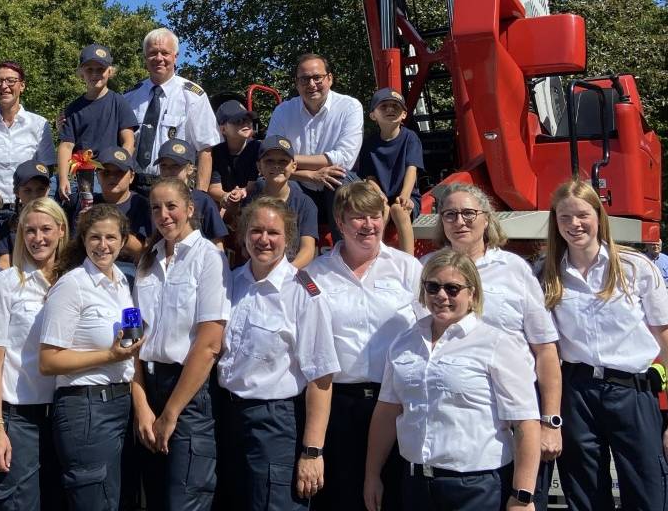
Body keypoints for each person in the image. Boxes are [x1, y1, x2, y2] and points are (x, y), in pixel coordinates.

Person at [541, 179, 668, 511]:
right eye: (564, 217)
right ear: (555, 222)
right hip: (576, 394)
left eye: (582, 215)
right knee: (586, 497)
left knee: (650, 495)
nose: (574, 224)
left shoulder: (636, 268)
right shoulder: (548, 275)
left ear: (598, 216)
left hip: (631, 393)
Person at [363, 249, 541, 511]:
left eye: (453, 288)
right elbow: (388, 412)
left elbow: (525, 421)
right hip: (415, 484)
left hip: (476, 488)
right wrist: (372, 476)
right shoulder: (404, 343)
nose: (441, 296)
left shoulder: (497, 343)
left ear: (473, 294)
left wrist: (523, 496)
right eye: (433, 287)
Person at [426, 182, 563, 511]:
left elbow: (545, 350)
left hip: (518, 422)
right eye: (450, 214)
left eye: (469, 213)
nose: (460, 221)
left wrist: (550, 422)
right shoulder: (426, 269)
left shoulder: (514, 271)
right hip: (456, 426)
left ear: (487, 219)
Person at [302, 180, 420, 511]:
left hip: (396, 404)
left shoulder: (407, 269)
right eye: (357, 217)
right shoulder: (314, 275)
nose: (368, 225)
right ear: (339, 222)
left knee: (394, 497)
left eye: (375, 216)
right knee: (343, 497)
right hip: (340, 405)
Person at [217, 197, 340, 511]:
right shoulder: (230, 283)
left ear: (289, 240)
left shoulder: (303, 292)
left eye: (273, 232)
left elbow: (321, 378)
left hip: (274, 423)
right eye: (256, 230)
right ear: (244, 235)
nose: (264, 239)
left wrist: (313, 452)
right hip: (227, 417)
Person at [131, 178, 232, 511]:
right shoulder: (148, 260)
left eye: (171, 206)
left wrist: (171, 412)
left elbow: (209, 344)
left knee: (185, 500)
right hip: (149, 385)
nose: (164, 215)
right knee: (155, 498)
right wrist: (143, 406)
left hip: (189, 393)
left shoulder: (209, 259)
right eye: (156, 207)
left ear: (190, 209)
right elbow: (133, 336)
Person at [39, 204, 144, 511]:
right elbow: (48, 361)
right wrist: (108, 355)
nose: (103, 245)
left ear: (123, 241)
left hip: (117, 403)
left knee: (114, 499)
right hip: (85, 408)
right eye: (95, 237)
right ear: (83, 240)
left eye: (111, 237)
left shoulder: (122, 283)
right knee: (94, 501)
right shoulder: (72, 285)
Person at [0, 198, 71, 510]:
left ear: (61, 230)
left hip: (66, 415)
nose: (38, 238)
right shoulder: (5, 284)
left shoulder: (75, 283)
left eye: (46, 229)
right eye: (29, 231)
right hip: (18, 419)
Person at [265, 54, 363, 230]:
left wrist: (288, 159)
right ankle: (288, 252)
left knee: (340, 177)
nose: (311, 84)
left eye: (317, 77)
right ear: (296, 83)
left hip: (334, 186)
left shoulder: (350, 107)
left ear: (330, 78)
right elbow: (270, 158)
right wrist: (310, 175)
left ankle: (346, 250)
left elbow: (345, 159)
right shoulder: (283, 111)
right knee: (270, 182)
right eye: (304, 79)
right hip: (298, 183)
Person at [124, 27, 221, 193]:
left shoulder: (193, 96)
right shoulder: (130, 97)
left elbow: (205, 150)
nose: (159, 58)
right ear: (145, 57)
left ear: (175, 57)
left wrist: (200, 196)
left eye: (165, 53)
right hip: (133, 187)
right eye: (153, 53)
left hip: (175, 187)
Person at [0, 61, 56, 205]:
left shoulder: (39, 124)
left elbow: (47, 169)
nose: (4, 86)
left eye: (11, 80)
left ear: (22, 86)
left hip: (27, 208)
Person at [56, 44, 139, 201]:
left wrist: (121, 168)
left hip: (109, 174)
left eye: (100, 69)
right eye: (89, 69)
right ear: (81, 72)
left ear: (110, 71)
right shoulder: (73, 108)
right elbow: (66, 146)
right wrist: (63, 178)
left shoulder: (118, 102)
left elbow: (128, 141)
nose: (95, 74)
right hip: (80, 176)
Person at [231, 136, 319, 268]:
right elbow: (244, 247)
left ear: (294, 166)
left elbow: (308, 250)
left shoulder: (305, 204)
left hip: (291, 273)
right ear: (259, 166)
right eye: (269, 161)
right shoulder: (250, 200)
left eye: (283, 161)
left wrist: (285, 274)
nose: (276, 165)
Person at [355, 88, 423, 256]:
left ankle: (409, 259)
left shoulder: (410, 138)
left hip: (406, 196)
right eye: (384, 106)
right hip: (380, 196)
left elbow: (412, 168)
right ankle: (375, 255)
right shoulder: (369, 143)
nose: (390, 109)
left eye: (395, 106)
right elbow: (369, 177)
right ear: (373, 115)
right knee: (381, 211)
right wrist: (378, 193)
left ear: (404, 114)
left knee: (398, 210)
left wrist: (405, 195)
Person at [154, 138, 231, 246]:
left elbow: (217, 243)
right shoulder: (155, 200)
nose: (168, 171)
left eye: (175, 166)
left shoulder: (203, 200)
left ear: (190, 169)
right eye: (163, 166)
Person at [0, 160, 53, 268]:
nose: (35, 196)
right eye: (27, 190)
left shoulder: (58, 221)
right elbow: (4, 261)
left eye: (41, 189)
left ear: (48, 190)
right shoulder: (9, 226)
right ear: (17, 192)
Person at [207, 99, 261, 207]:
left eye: (248, 119)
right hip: (226, 202)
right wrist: (225, 196)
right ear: (223, 129)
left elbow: (254, 184)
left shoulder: (257, 148)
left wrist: (241, 192)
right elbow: (214, 187)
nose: (245, 123)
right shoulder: (216, 152)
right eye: (238, 121)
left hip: (252, 201)